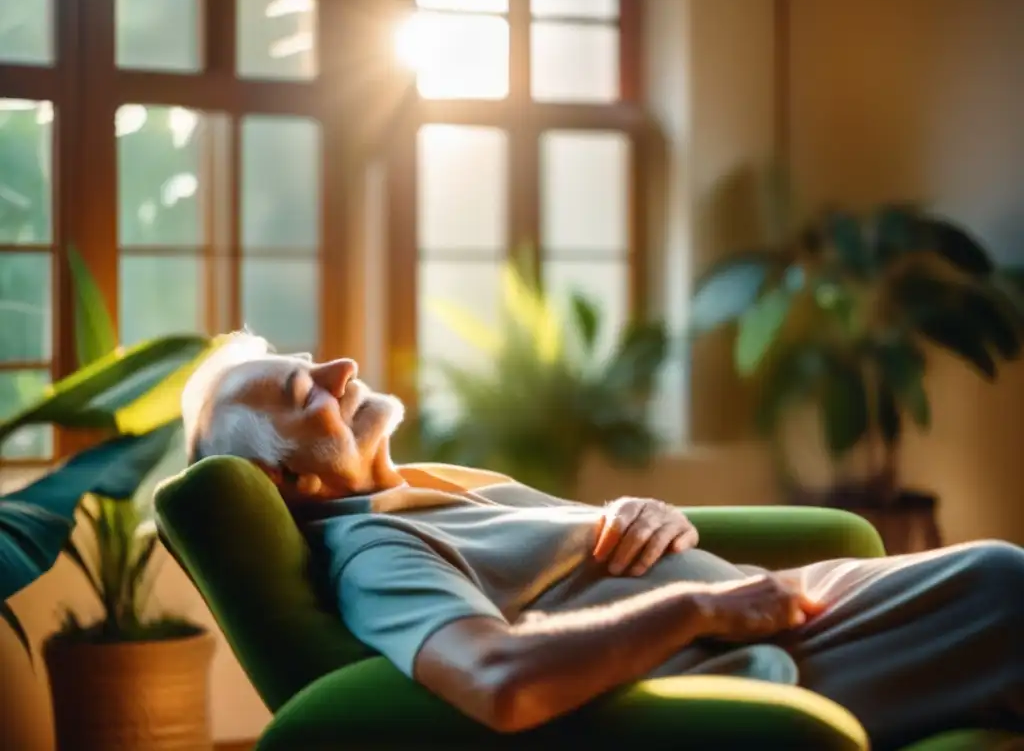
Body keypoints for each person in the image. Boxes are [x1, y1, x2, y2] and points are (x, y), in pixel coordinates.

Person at [181, 333, 1024, 750]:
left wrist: (649, 516)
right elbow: (497, 680)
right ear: (299, 481)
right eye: (305, 391)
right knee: (1003, 586)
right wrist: (696, 604)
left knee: (1003, 578)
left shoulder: (437, 486)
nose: (342, 372)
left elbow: (576, 562)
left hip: (774, 607)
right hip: (754, 658)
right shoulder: (377, 553)